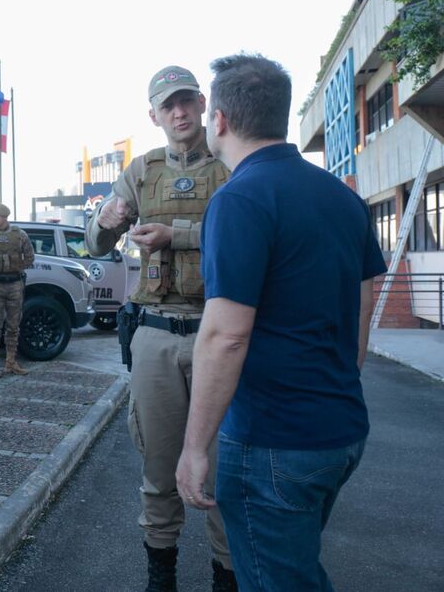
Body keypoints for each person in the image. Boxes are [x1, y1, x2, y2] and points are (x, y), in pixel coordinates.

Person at [176, 54, 385, 591]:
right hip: (340, 429)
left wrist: (196, 447)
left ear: (218, 119)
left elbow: (226, 334)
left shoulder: (239, 199)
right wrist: (340, 378)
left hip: (273, 439)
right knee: (295, 571)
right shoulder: (343, 198)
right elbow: (365, 298)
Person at [86, 66, 235, 591]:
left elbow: (249, 230)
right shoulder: (142, 171)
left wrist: (179, 234)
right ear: (153, 115)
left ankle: (227, 573)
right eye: (168, 105)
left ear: (202, 103)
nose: (179, 113)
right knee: (159, 463)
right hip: (154, 334)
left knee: (223, 470)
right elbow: (95, 243)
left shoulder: (229, 161)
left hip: (219, 332)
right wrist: (104, 222)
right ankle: (160, 574)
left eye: (187, 101)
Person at [0, 203, 34, 377]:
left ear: (5, 217)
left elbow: (30, 257)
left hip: (15, 284)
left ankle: (11, 363)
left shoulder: (20, 235)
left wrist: (16, 267)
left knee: (13, 326)